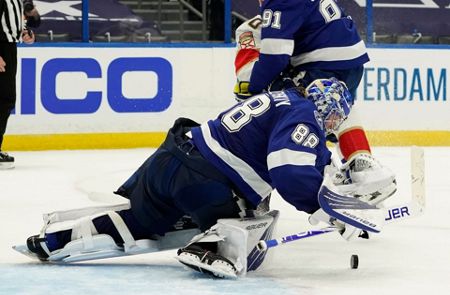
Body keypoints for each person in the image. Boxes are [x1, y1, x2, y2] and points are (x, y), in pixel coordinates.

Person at [21, 79, 392, 278]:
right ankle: (210, 246)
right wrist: (321, 208)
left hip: (168, 161)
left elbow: (306, 161)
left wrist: (334, 185)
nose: (330, 127)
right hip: (205, 181)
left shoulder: (283, 98)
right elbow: (289, 171)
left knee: (140, 221)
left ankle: (55, 240)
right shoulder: (304, 115)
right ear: (328, 109)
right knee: (253, 220)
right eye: (333, 119)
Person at [233, 0, 396, 201]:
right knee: (337, 109)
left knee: (303, 117)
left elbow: (259, 69)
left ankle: (328, 173)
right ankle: (362, 164)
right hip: (351, 61)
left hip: (320, 63)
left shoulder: (258, 22)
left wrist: (256, 90)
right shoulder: (293, 10)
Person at [0, 0, 40, 169]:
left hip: (9, 47)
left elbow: (20, 18)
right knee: (4, 99)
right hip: (2, 48)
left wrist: (25, 32)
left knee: (6, 99)